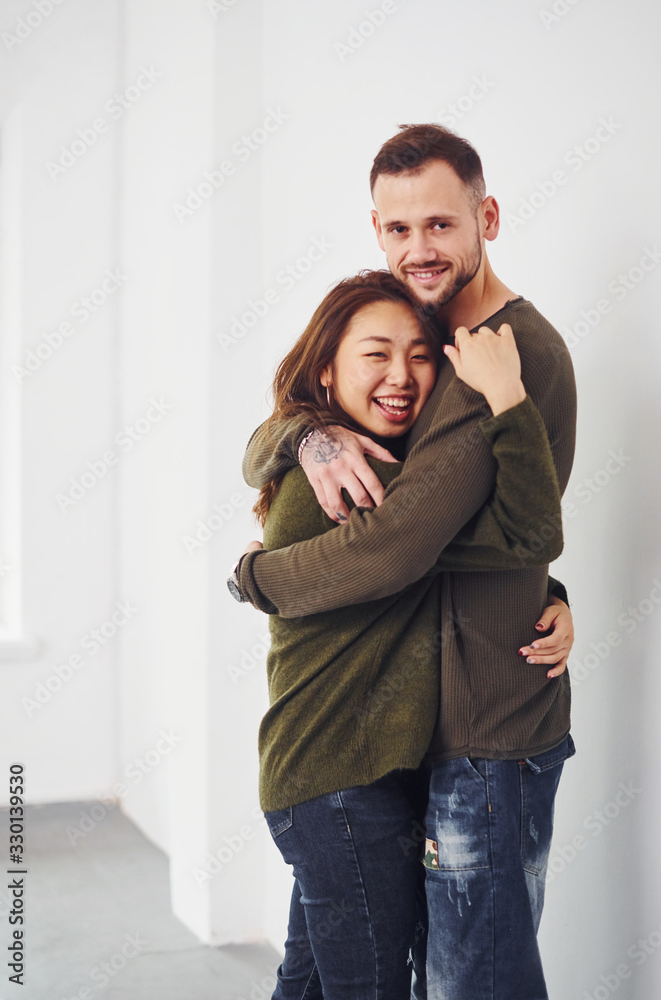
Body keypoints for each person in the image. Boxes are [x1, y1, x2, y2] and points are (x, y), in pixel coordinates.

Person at [232, 125, 577, 1000]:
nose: (417, 249)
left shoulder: (505, 355)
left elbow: (404, 543)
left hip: (485, 732)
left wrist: (255, 579)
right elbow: (310, 402)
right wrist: (303, 435)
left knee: (470, 982)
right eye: (396, 229)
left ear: (485, 216)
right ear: (375, 230)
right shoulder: (418, 336)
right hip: (406, 744)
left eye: (439, 225)